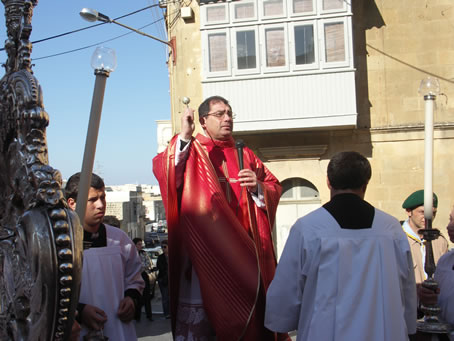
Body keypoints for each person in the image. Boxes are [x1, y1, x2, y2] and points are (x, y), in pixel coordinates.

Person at [153, 96, 288, 340]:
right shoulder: (192, 149)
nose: (227, 118)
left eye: (229, 113)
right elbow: (166, 173)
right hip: (206, 255)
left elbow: (273, 187)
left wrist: (258, 187)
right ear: (203, 121)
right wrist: (184, 135)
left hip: (243, 255)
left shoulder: (245, 154)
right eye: (220, 114)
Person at [265, 151, 417, 341]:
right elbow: (407, 286)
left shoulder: (308, 227)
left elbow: (286, 292)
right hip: (384, 331)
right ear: (365, 184)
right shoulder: (390, 228)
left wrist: (282, 322)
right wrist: (410, 324)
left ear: (328, 182)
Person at [65, 172, 144, 340]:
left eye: (103, 197)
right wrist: (79, 311)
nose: (101, 205)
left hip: (119, 329)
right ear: (72, 203)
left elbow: (135, 278)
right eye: (92, 200)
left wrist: (131, 299)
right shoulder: (62, 244)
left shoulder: (120, 239)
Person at [401, 189, 449, 285]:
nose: (429, 217)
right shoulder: (398, 239)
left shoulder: (439, 240)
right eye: (422, 212)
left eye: (433, 213)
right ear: (409, 211)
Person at [133, 237, 154, 321]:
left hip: (143, 275)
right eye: (139, 244)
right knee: (137, 297)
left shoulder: (144, 253)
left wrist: (141, 267)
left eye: (141, 244)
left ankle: (149, 316)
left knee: (147, 296)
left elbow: (148, 263)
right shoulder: (131, 254)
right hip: (135, 276)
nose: (140, 246)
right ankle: (137, 316)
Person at [156, 240, 170, 319]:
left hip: (170, 279)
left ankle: (170, 312)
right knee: (165, 297)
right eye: (162, 247)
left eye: (165, 247)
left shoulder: (172, 256)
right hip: (163, 279)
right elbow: (160, 267)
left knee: (170, 297)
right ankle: (166, 313)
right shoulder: (160, 257)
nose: (163, 248)